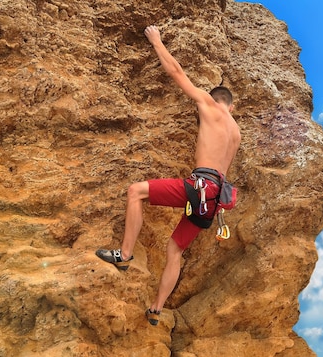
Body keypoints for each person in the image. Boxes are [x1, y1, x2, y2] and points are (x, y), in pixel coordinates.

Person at [96, 25, 241, 326]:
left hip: (196, 187)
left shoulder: (209, 106)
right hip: (212, 203)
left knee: (136, 191)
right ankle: (157, 309)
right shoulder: (236, 132)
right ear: (232, 105)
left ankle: (124, 256)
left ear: (215, 99)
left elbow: (176, 72)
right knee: (174, 249)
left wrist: (156, 40)